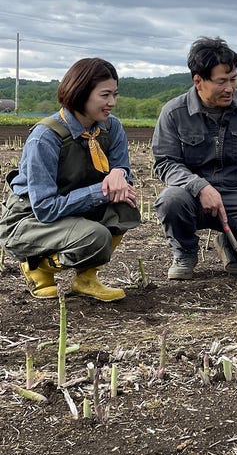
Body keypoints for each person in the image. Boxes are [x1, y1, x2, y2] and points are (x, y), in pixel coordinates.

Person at [0, 58, 140, 301]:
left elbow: (121, 166)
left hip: (73, 207)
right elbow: (44, 208)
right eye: (105, 95)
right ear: (80, 93)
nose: (112, 103)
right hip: (31, 219)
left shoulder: (111, 128)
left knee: (125, 209)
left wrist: (119, 173)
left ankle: (86, 279)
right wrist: (102, 191)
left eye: (114, 94)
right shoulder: (45, 138)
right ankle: (37, 267)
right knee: (96, 237)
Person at [152, 36, 237, 280]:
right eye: (221, 81)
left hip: (235, 193)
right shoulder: (174, 112)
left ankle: (230, 244)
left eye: (233, 79)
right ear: (198, 81)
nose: (230, 88)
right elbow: (165, 162)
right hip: (189, 195)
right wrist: (199, 186)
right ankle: (185, 253)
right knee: (169, 200)